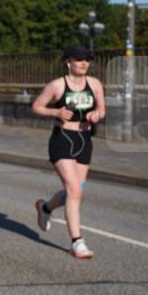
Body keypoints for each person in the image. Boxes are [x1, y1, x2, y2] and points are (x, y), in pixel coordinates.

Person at [31, 45, 106, 259]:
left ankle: (45, 208)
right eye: (79, 59)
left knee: (75, 192)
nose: (84, 63)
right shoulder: (57, 85)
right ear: (68, 62)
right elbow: (37, 106)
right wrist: (55, 111)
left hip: (84, 140)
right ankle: (77, 242)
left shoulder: (95, 84)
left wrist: (96, 115)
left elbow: (102, 109)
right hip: (62, 139)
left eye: (87, 60)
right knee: (73, 189)